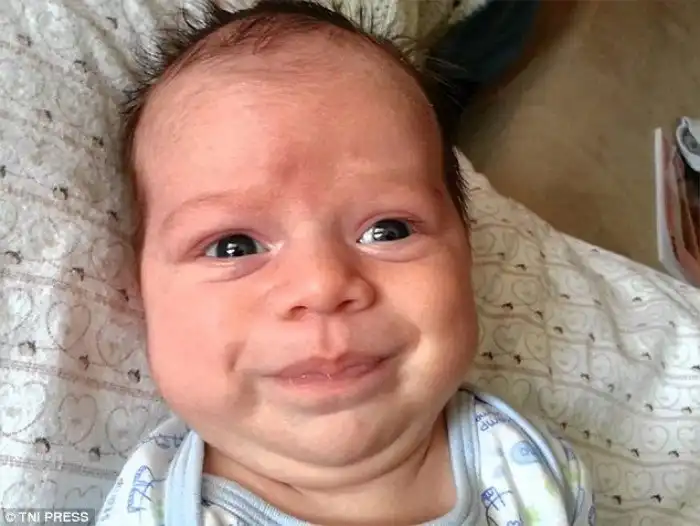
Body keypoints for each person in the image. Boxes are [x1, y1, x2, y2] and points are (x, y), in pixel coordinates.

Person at [97, 1, 594, 524]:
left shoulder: (528, 466)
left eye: (388, 230)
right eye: (233, 247)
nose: (323, 283)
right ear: (141, 287)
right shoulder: (154, 511)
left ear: (466, 253)